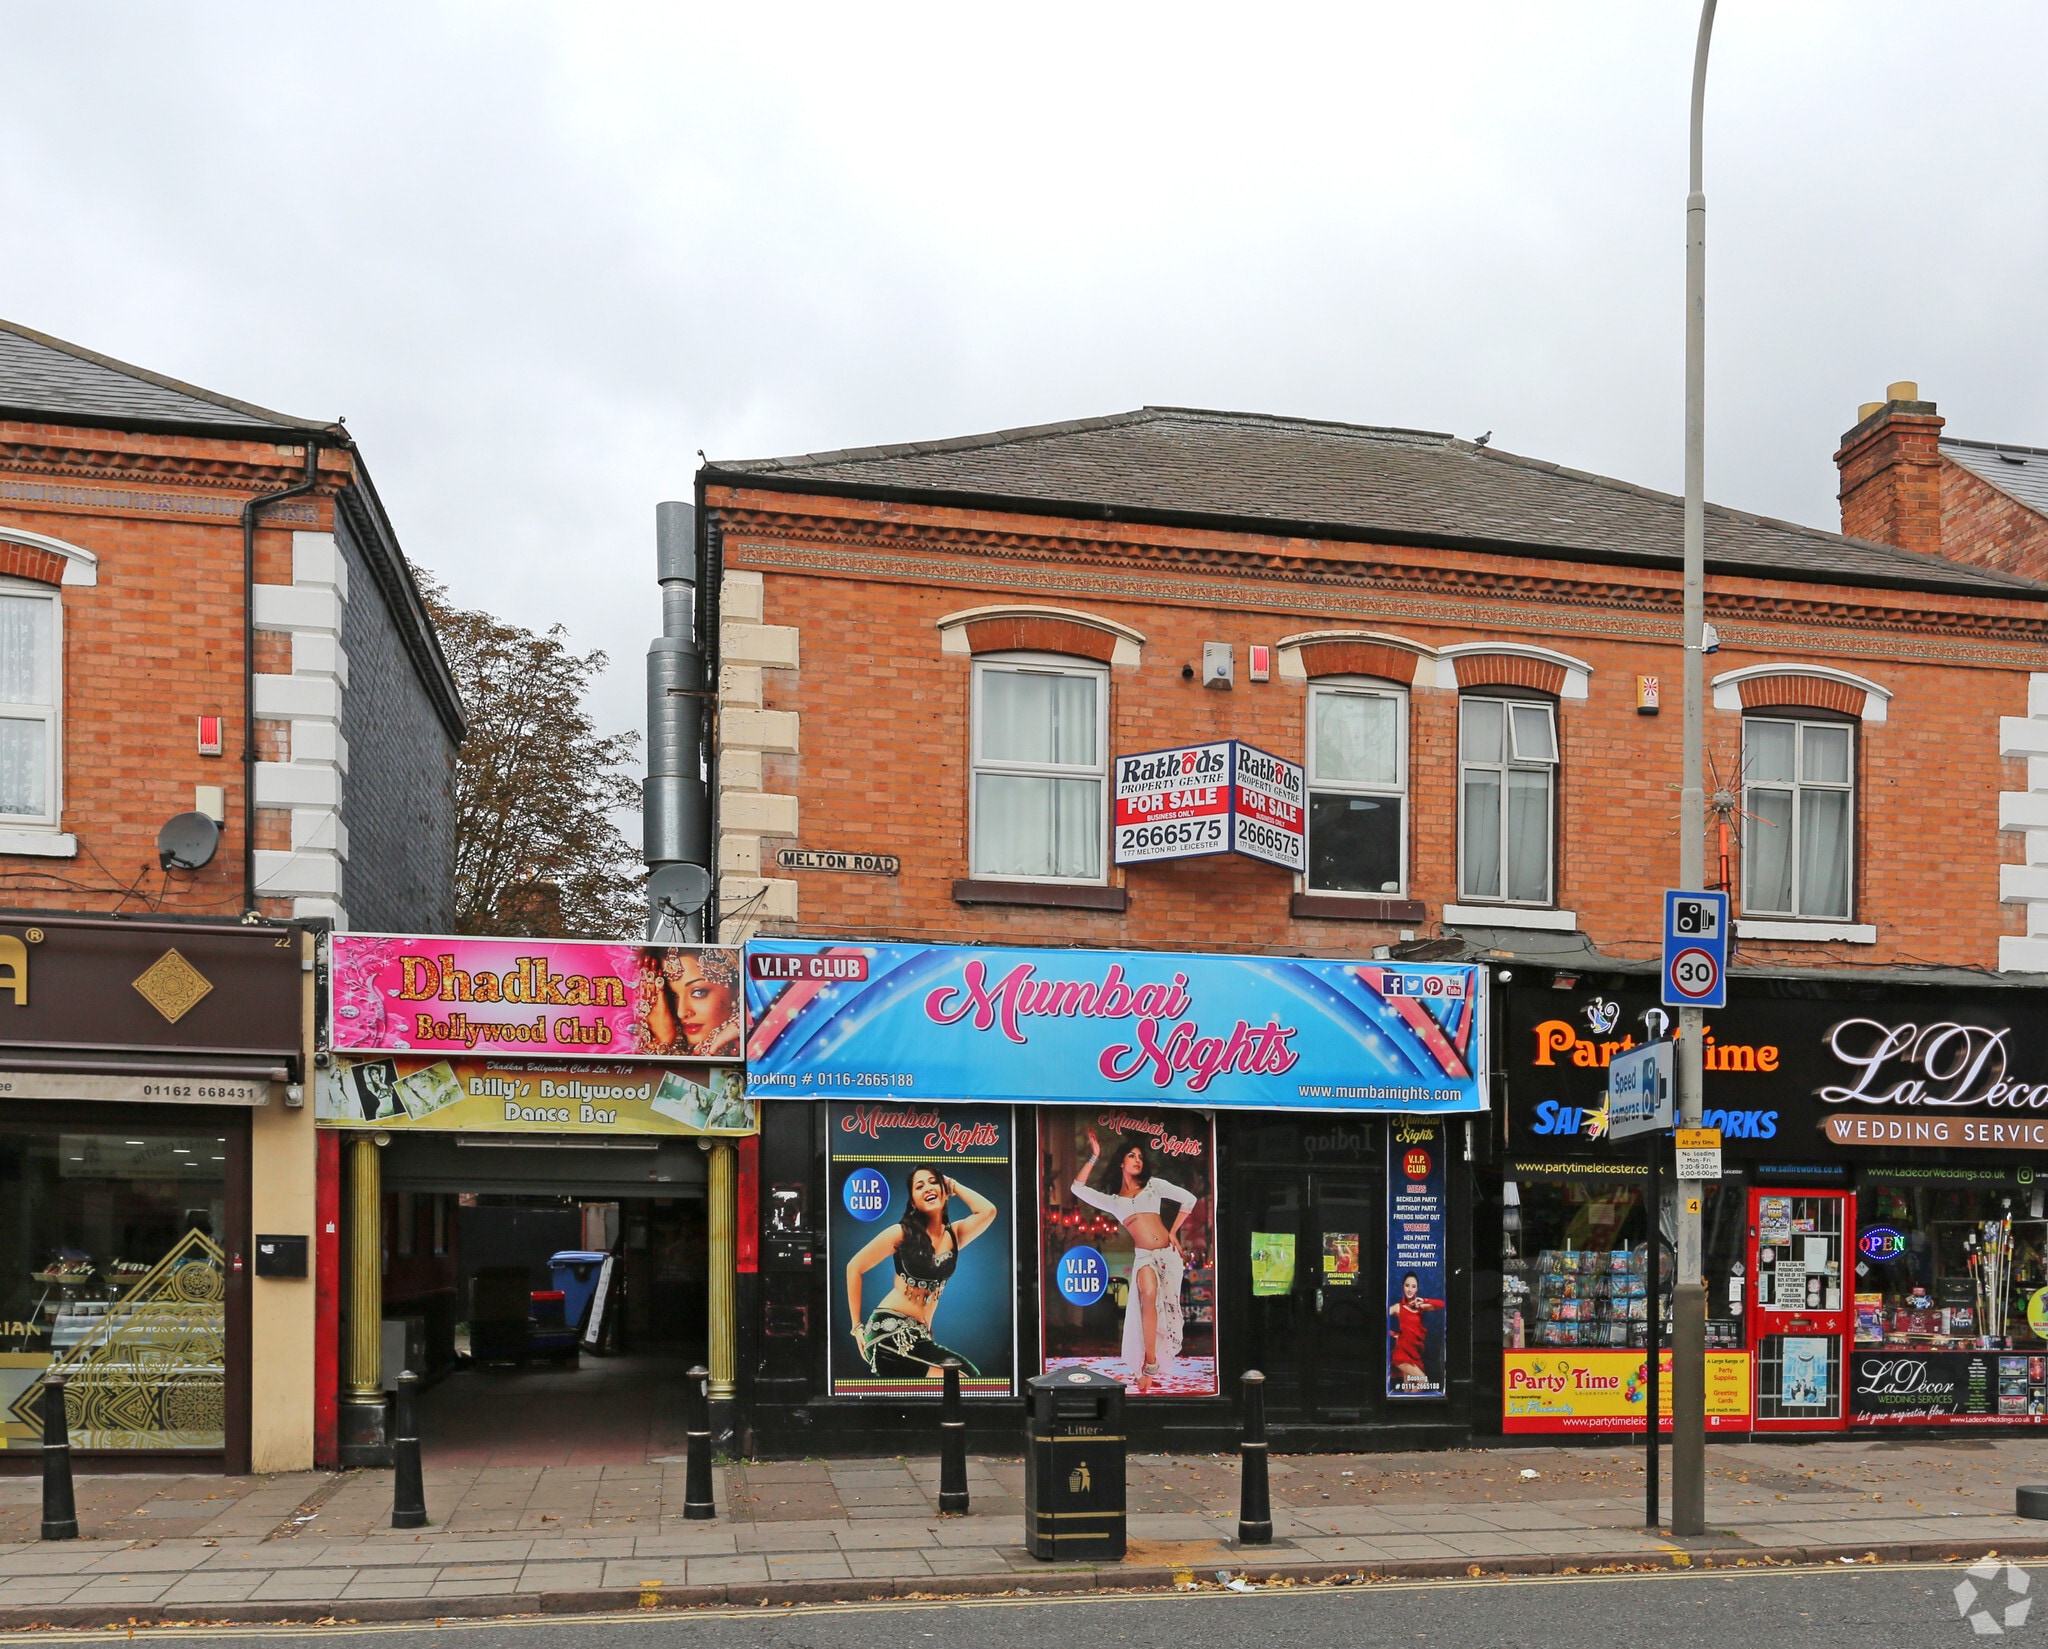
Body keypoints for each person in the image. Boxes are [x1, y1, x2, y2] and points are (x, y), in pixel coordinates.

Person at [1070, 1130, 1198, 1393]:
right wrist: (1094, 1156)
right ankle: (1149, 1362)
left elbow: (1189, 1199)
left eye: (1140, 1156)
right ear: (1121, 1163)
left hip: (1168, 1256)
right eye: (1131, 1155)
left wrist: (1173, 1231)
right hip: (1144, 1257)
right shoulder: (1114, 1202)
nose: (1137, 1160)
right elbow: (1076, 1188)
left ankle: (1153, 1362)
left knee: (1167, 1310)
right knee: (1147, 1296)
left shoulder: (1154, 1185)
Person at [845, 1165, 999, 1379]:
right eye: (920, 1186)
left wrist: (953, 1184)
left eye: (933, 1182)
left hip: (919, 1336)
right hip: (889, 1335)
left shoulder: (955, 1235)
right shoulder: (901, 1233)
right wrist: (856, 1328)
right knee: (962, 1380)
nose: (928, 1188)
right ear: (913, 1202)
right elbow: (854, 1267)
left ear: (945, 1192)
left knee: (969, 1377)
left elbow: (988, 1211)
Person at [637, 948, 742, 1057]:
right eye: (673, 996)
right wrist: (665, 1043)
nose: (681, 1013)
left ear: (736, 990)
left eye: (698, 993)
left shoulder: (753, 1048)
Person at [1387, 1271, 1445, 1390]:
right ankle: (1409, 1408)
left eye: (1413, 1286)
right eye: (1407, 1285)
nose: (1410, 1289)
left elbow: (1441, 1304)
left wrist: (1423, 1300)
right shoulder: (1398, 1307)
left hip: (1414, 1353)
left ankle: (1405, 1409)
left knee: (1408, 1390)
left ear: (1417, 1289)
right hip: (1402, 1353)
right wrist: (1394, 1334)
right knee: (1423, 1381)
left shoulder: (1420, 1307)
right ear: (1403, 1287)